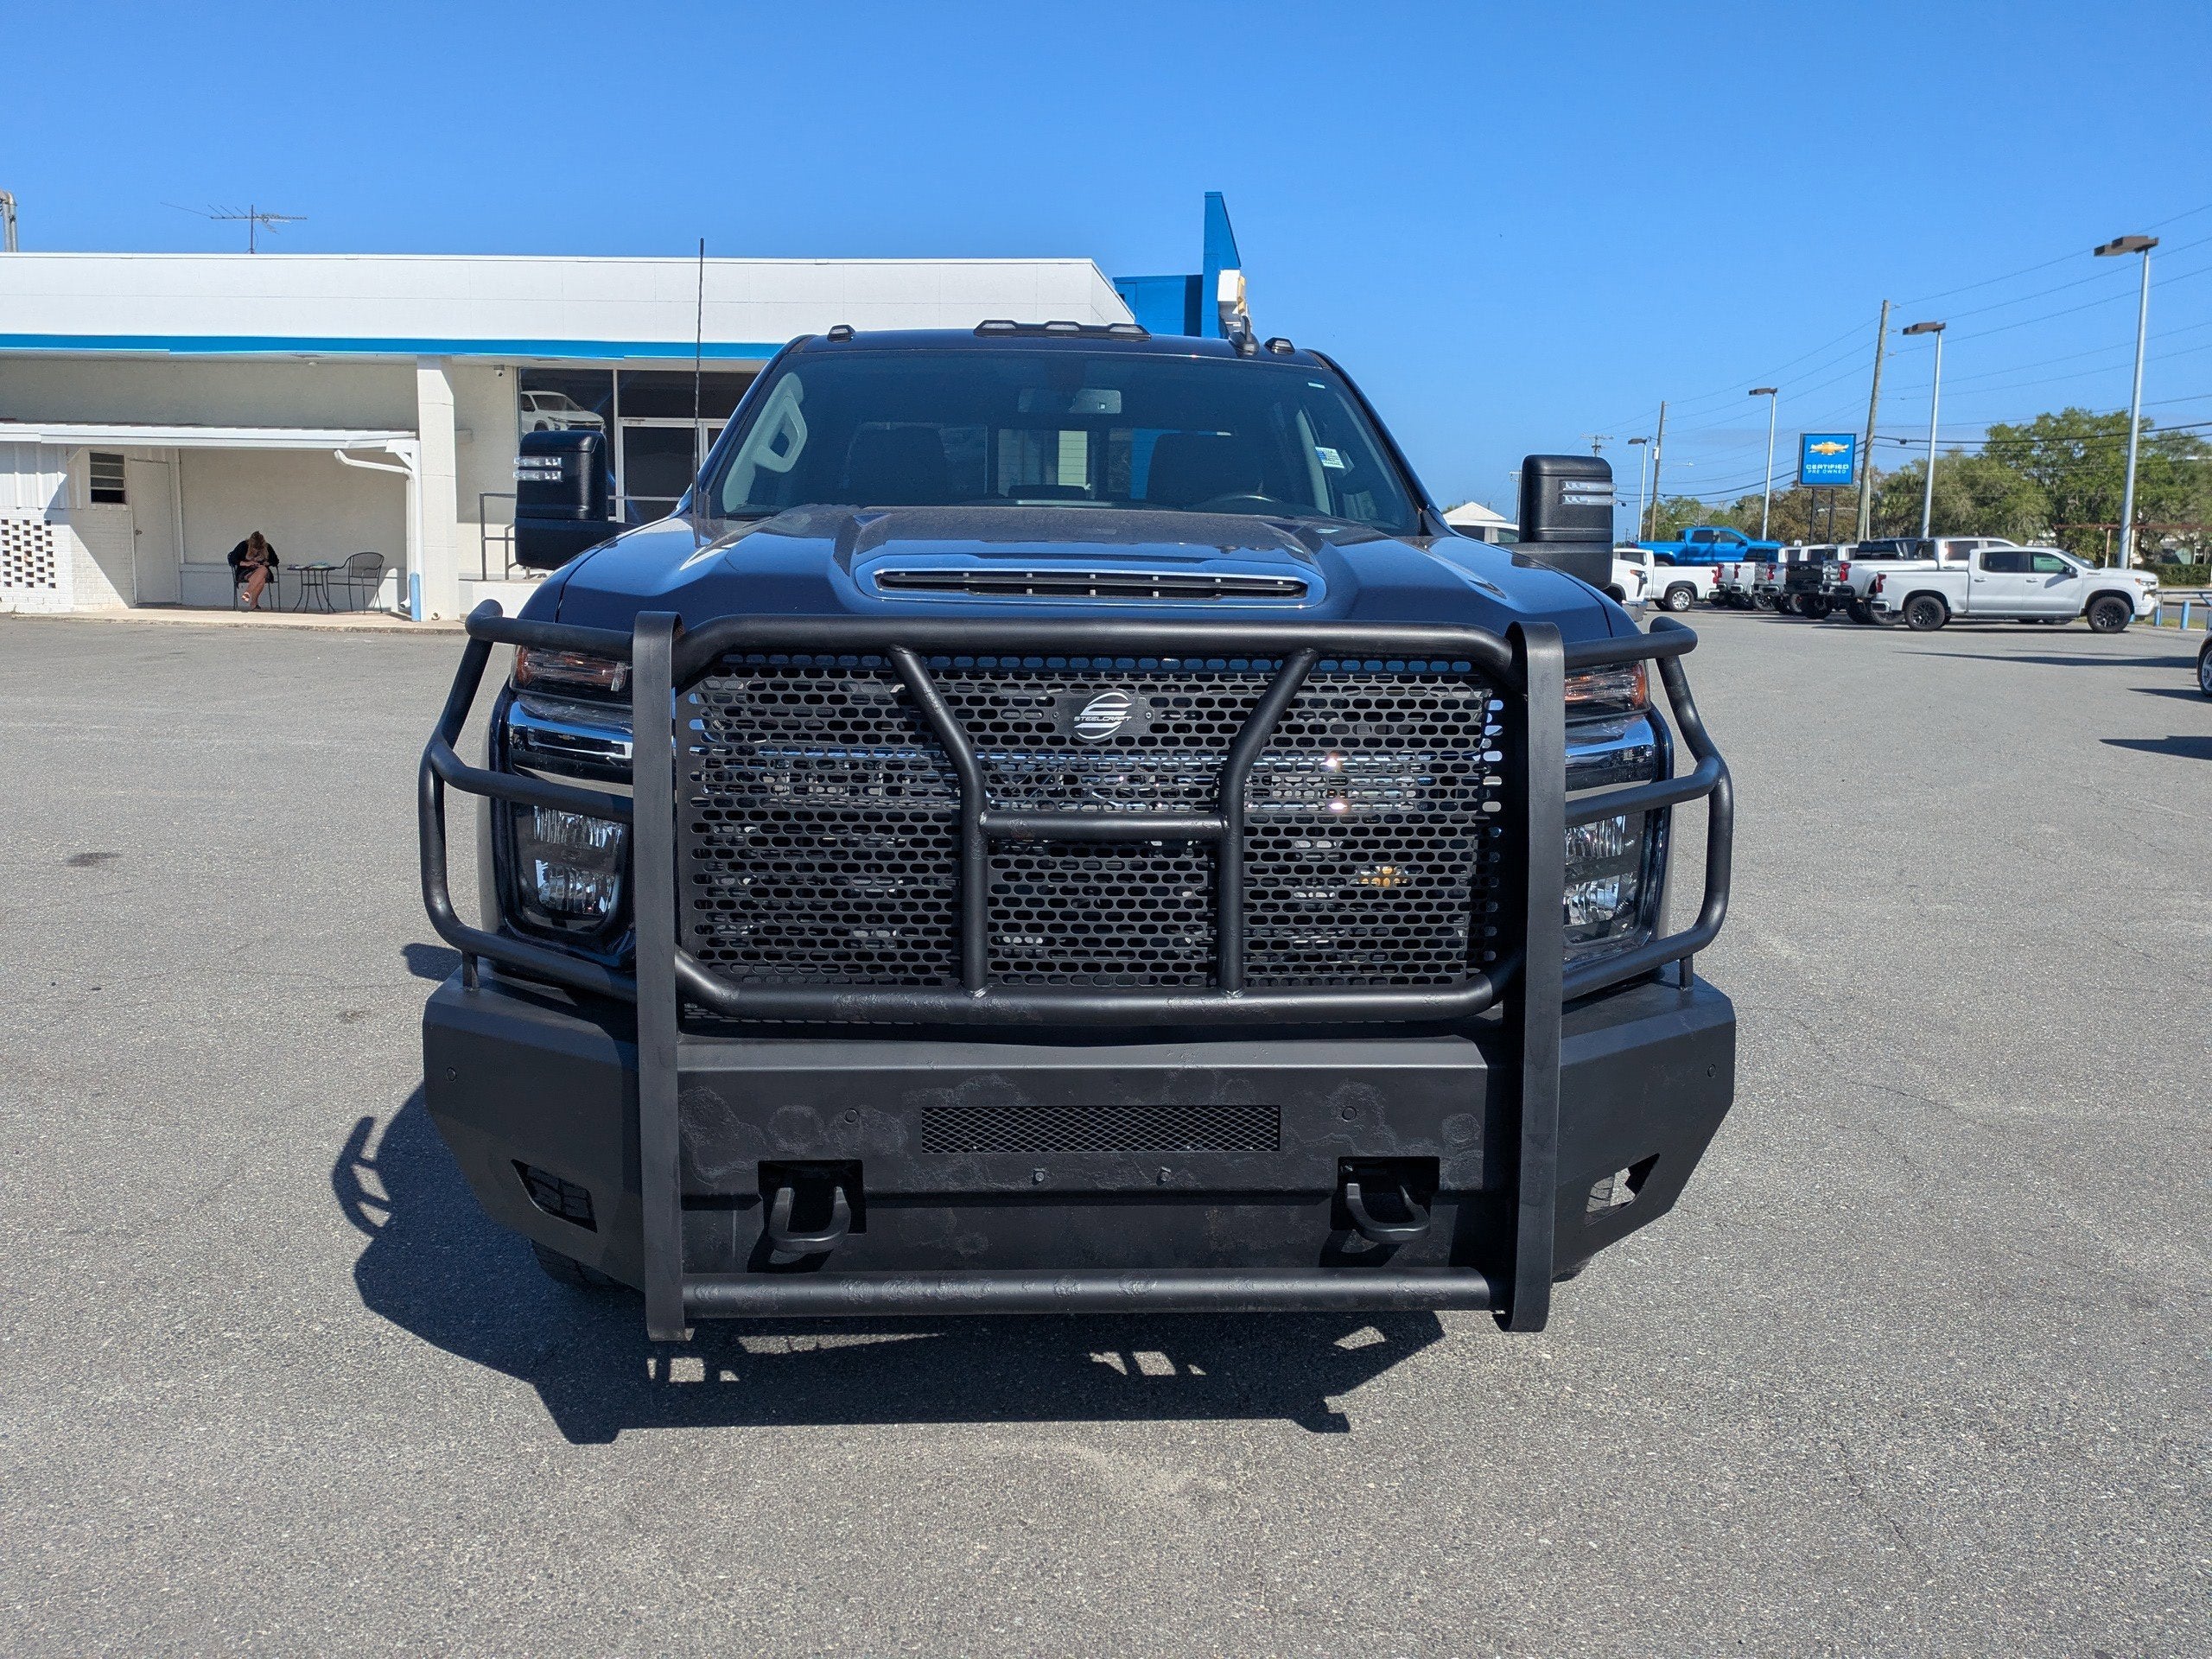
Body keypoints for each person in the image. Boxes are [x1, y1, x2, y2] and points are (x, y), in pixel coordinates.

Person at [228, 531, 279, 609]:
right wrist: (246, 563)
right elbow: (232, 559)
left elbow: (275, 560)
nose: (257, 550)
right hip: (245, 571)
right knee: (261, 579)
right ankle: (253, 603)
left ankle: (248, 592)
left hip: (262, 571)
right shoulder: (243, 545)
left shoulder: (267, 547)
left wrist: (267, 563)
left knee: (263, 570)